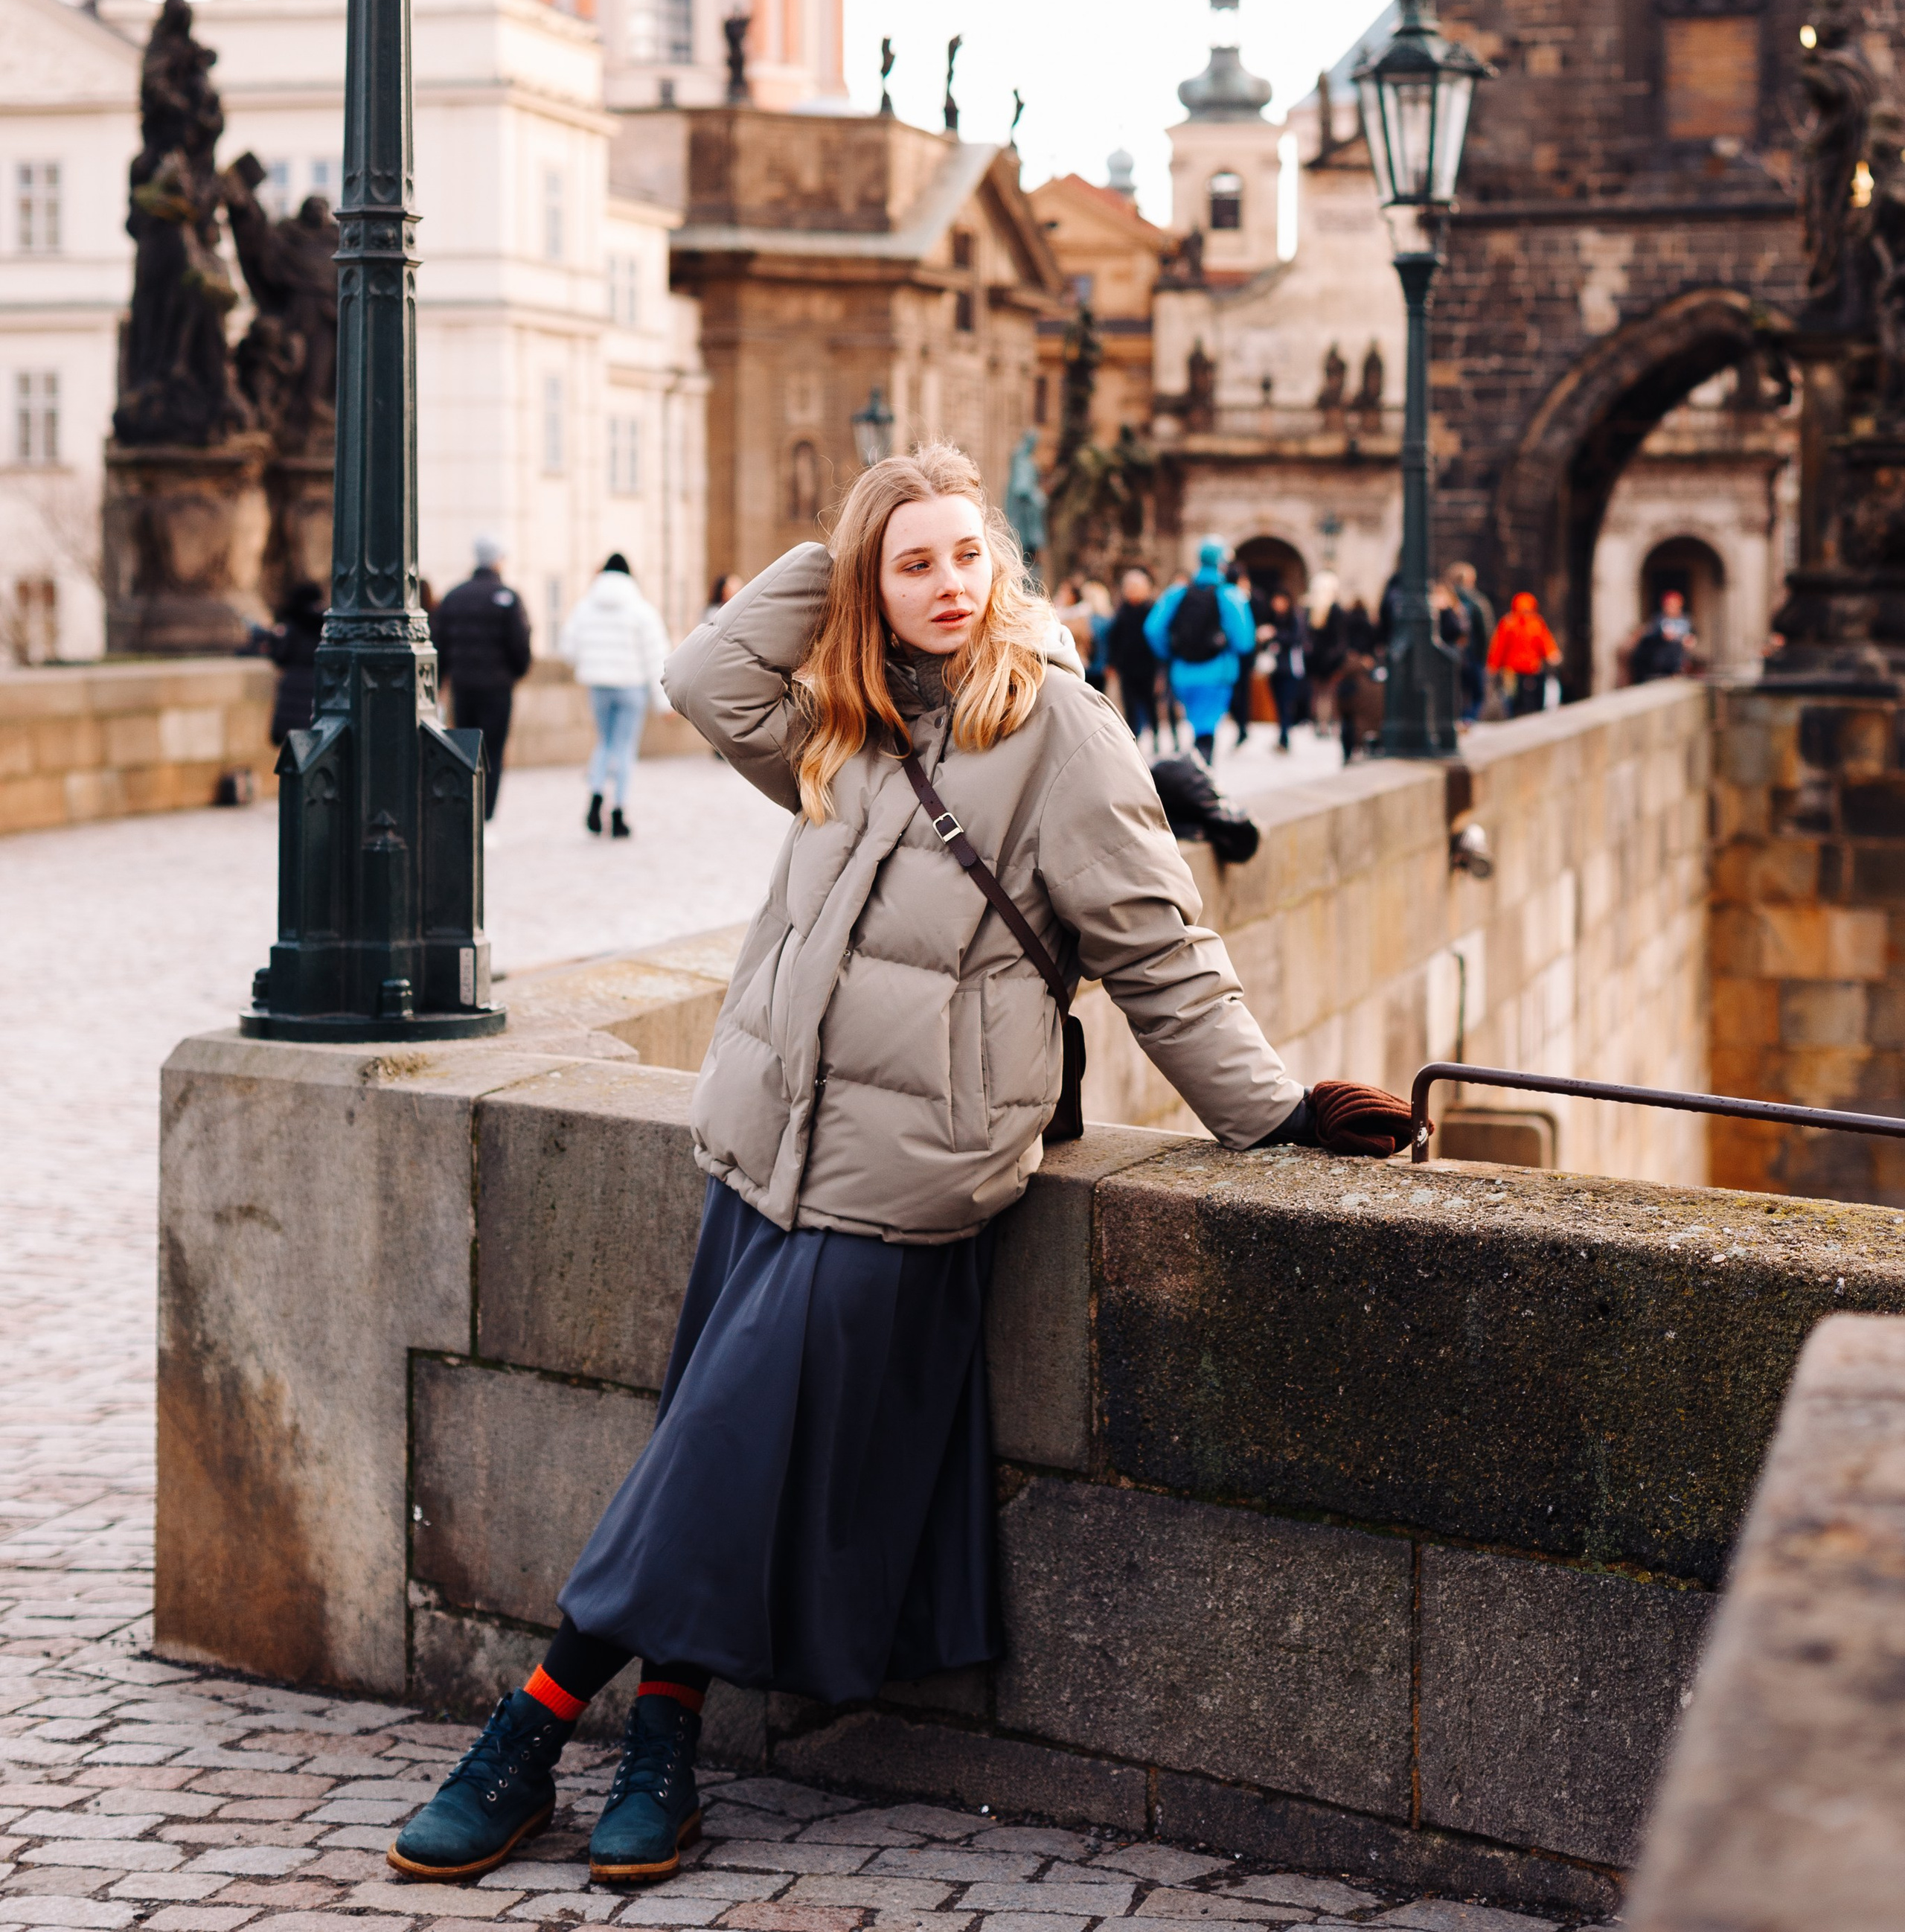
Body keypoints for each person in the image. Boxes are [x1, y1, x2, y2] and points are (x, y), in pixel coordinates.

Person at [387, 442, 1419, 1896]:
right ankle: (665, 1741)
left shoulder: (1059, 729)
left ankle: (531, 1723)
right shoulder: (847, 722)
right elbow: (699, 681)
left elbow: (1155, 952)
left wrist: (1268, 1113)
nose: (946, 586)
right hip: (767, 1145)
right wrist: (841, 541)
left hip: (910, 1168)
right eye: (911, 562)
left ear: (1003, 568)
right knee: (719, 1456)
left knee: (717, 1445)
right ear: (872, 585)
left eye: (965, 556)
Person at [560, 554, 670, 841]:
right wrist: (664, 702)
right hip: (631, 687)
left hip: (597, 685)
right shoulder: (641, 610)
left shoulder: (585, 607)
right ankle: (619, 813)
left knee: (604, 743)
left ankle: (596, 797)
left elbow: (568, 648)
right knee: (624, 748)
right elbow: (656, 658)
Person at [432, 538, 533, 817]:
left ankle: (466, 809)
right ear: (499, 559)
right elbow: (521, 645)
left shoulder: (454, 596)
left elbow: (439, 644)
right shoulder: (508, 597)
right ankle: (485, 815)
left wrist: (444, 681)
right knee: (493, 751)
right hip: (497, 688)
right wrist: (514, 673)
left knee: (465, 748)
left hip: (462, 687)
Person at [1144, 536, 1256, 767]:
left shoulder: (1177, 593)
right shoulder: (1230, 595)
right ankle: (1201, 779)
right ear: (1222, 562)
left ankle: (1198, 773)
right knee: (1206, 731)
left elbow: (1153, 629)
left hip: (1182, 673)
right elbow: (1245, 641)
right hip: (1217, 673)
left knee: (1197, 724)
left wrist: (1169, 653)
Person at [249, 578, 326, 747]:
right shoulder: (324, 629)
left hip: (291, 691)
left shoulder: (292, 629)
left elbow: (280, 656)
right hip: (315, 691)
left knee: (290, 754)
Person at [1104, 566, 1161, 749]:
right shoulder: (1122, 611)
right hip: (1127, 667)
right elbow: (1114, 639)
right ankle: (1134, 738)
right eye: (1129, 587)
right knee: (1130, 704)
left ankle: (1156, 736)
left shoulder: (1152, 609)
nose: (1132, 591)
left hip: (1148, 665)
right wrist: (1112, 663)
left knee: (1150, 702)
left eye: (1136, 587)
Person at [1488, 589, 1561, 716]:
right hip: (1512, 670)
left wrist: (1552, 654)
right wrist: (1493, 665)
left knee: (1531, 699)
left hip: (1531, 669)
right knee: (1512, 698)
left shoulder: (1535, 623)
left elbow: (1545, 642)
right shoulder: (1509, 623)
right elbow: (1499, 646)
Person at [1443, 563, 1494, 725]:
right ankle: (1468, 721)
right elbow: (1485, 631)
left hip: (1450, 654)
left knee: (1455, 692)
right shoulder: (1476, 600)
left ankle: (1459, 720)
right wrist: (1484, 657)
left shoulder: (1444, 598)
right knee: (1477, 694)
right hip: (1473, 655)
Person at [1262, 589, 1311, 754]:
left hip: (1289, 667)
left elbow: (1296, 639)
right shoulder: (1273, 618)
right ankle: (1283, 736)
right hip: (1274, 667)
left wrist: (1275, 634)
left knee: (1286, 704)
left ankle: (1284, 738)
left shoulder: (1294, 618)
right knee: (1278, 703)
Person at [1631, 588, 1697, 684]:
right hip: (1661, 663)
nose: (1672, 608)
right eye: (1669, 605)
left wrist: (1690, 641)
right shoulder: (1659, 620)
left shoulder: (1686, 620)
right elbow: (1650, 637)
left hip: (1680, 660)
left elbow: (1692, 636)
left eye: (1675, 605)